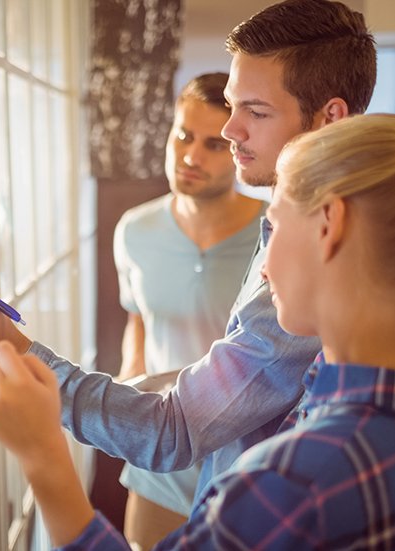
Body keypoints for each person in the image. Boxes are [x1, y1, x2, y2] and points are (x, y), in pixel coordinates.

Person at [0, 113, 395, 548]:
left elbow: (178, 428)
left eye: (274, 225)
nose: (261, 266)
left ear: (331, 225)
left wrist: (42, 454)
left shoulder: (294, 483)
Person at [0, 0, 374, 503]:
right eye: (233, 105)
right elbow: (216, 371)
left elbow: (175, 431)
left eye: (256, 111)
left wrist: (8, 349)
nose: (230, 131)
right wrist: (130, 387)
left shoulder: (320, 255)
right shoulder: (282, 223)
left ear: (329, 117)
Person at [112, 71, 263, 546]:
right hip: (160, 451)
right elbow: (138, 317)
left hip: (245, 455)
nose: (191, 156)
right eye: (183, 136)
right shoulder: (133, 231)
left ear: (238, 148)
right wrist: (129, 374)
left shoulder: (274, 234)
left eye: (214, 144)